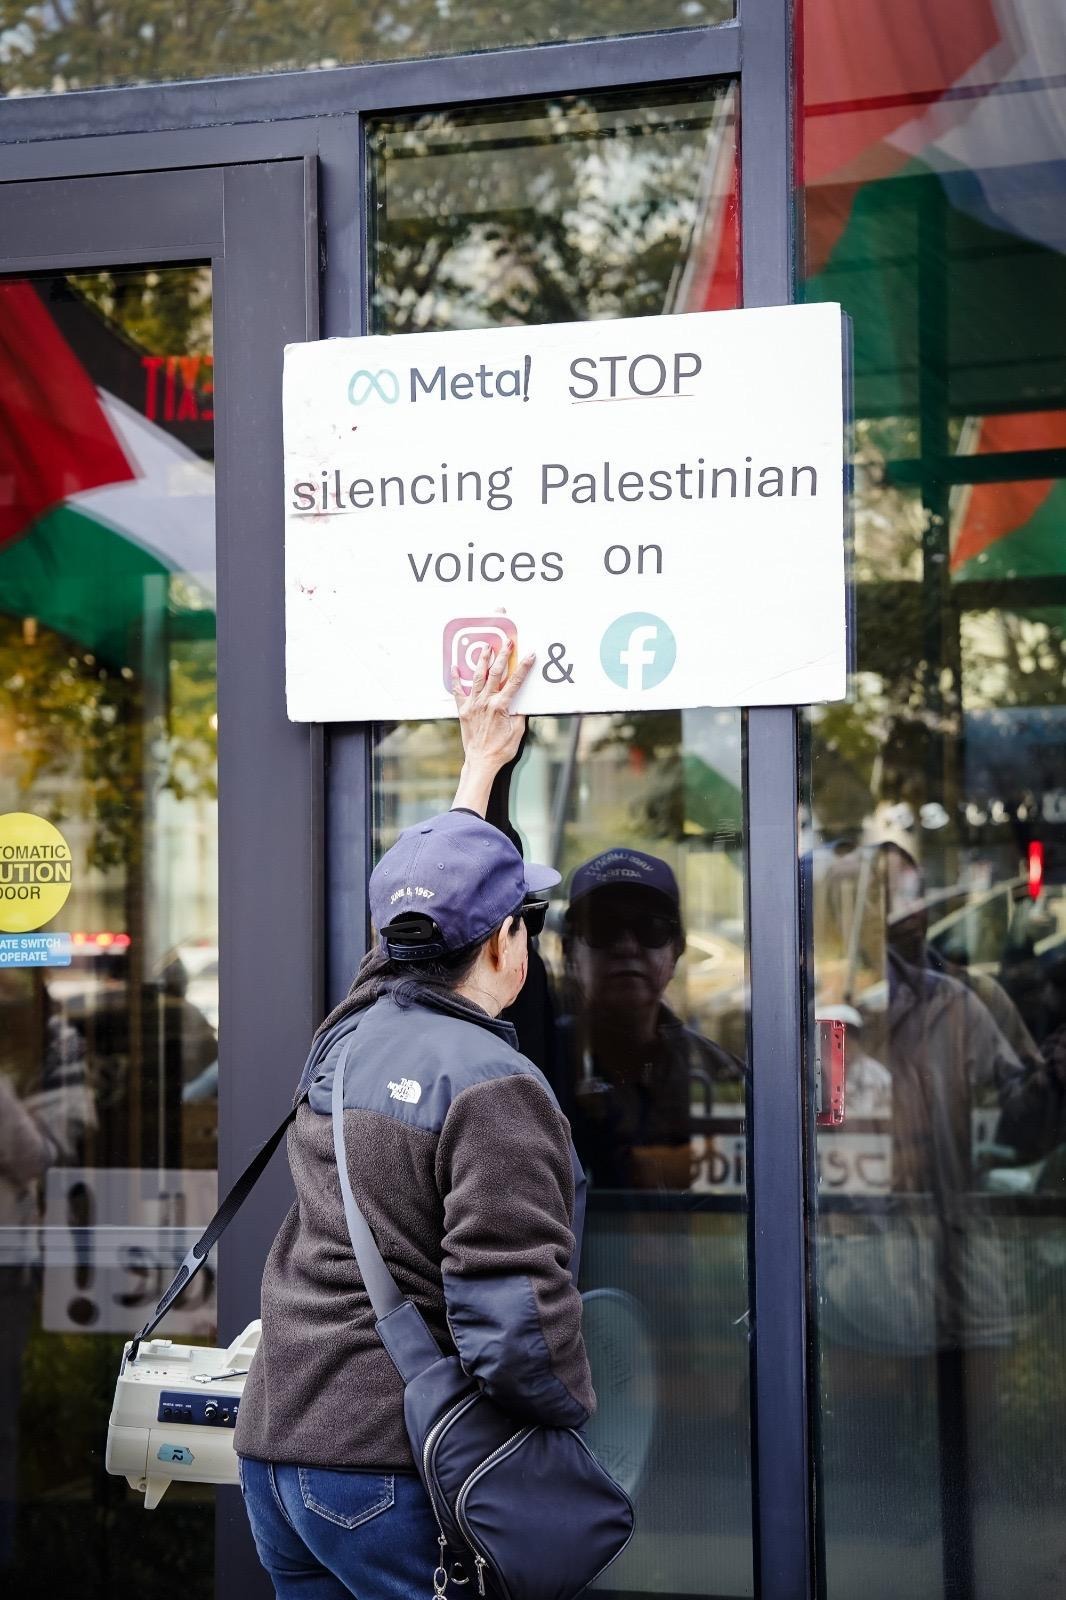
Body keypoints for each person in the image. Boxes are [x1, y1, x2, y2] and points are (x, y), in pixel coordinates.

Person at [234, 644, 595, 1600]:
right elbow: (512, 1319)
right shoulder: (492, 1084)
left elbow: (424, 916)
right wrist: (574, 1422)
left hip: (278, 1462)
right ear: (505, 942)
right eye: (527, 920)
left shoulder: (349, 1028)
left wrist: (481, 766)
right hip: (390, 1469)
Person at [553, 849, 745, 1192]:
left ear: (678, 950)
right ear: (569, 951)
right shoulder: (533, 1071)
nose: (627, 947)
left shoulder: (722, 1075)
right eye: (603, 928)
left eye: (651, 928)